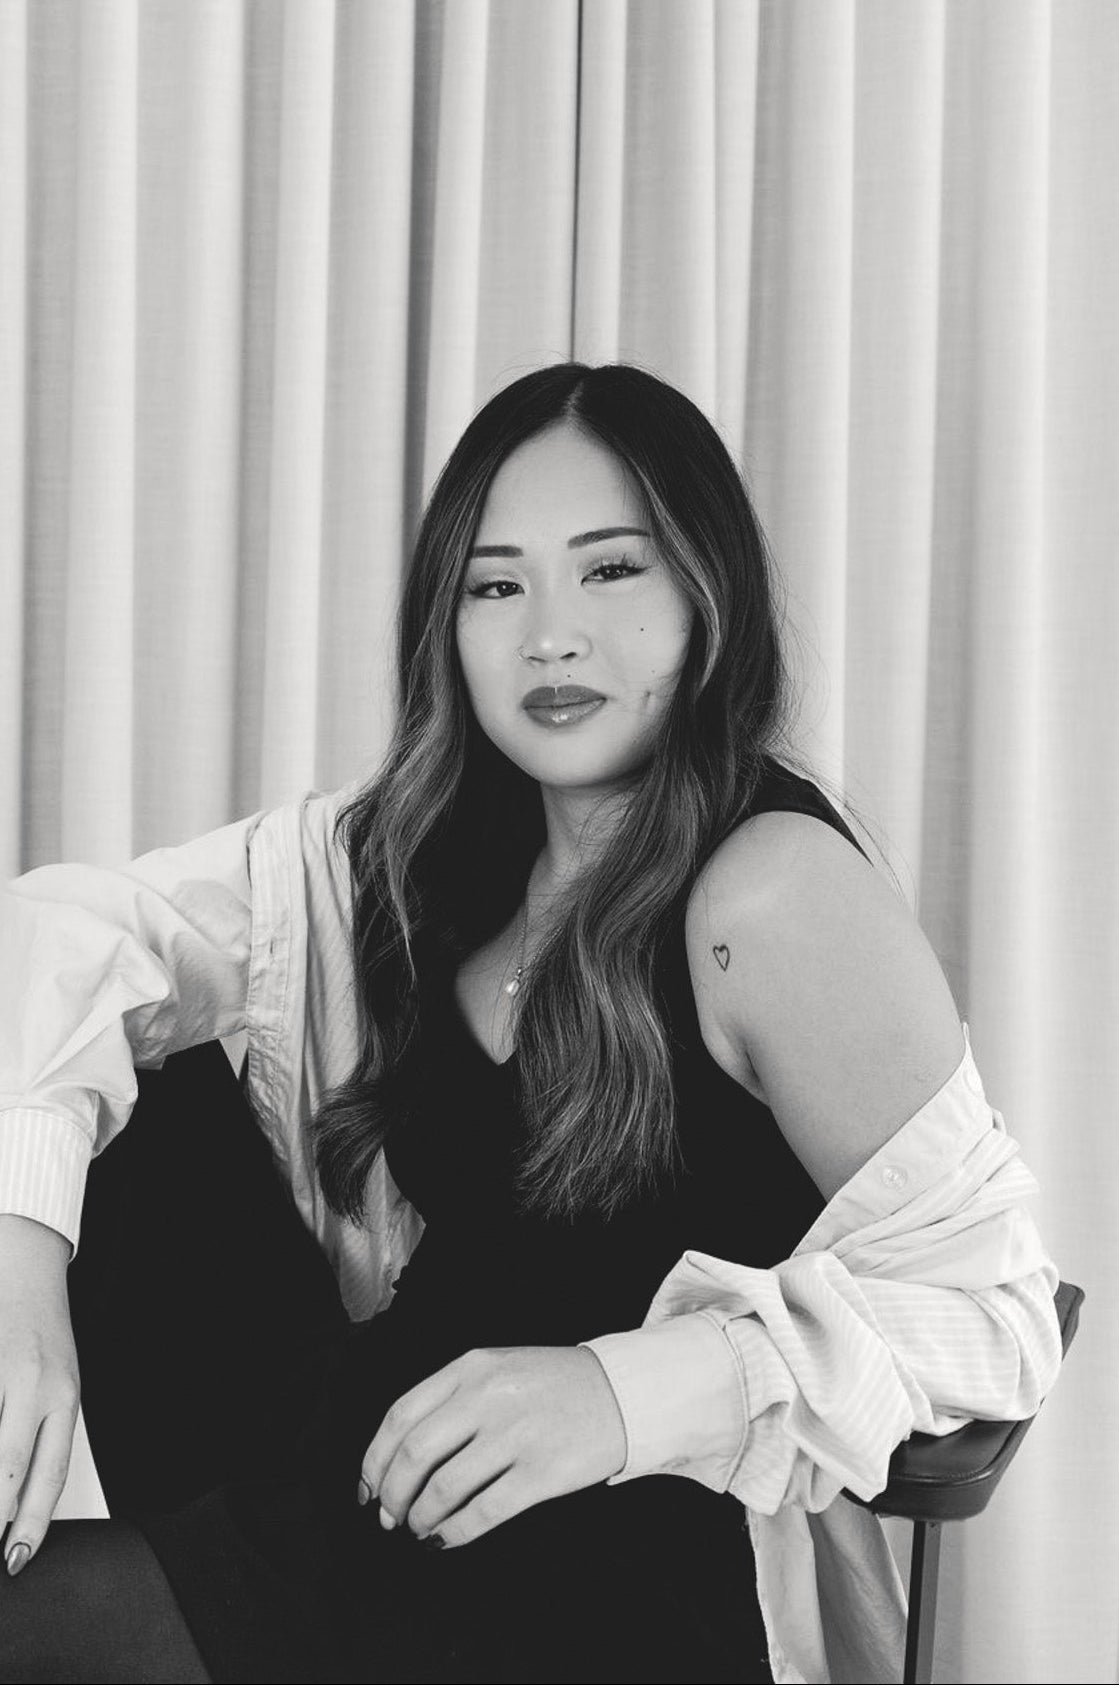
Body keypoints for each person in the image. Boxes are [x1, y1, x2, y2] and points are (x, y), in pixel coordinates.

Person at [0, 363, 1061, 1683]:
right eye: (498, 585)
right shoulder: (434, 852)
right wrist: (21, 1263)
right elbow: (67, 929)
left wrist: (619, 1392)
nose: (549, 635)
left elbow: (999, 1321)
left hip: (589, 1588)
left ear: (705, 589)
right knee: (109, 1094)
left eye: (610, 569)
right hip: (368, 1478)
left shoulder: (768, 892)